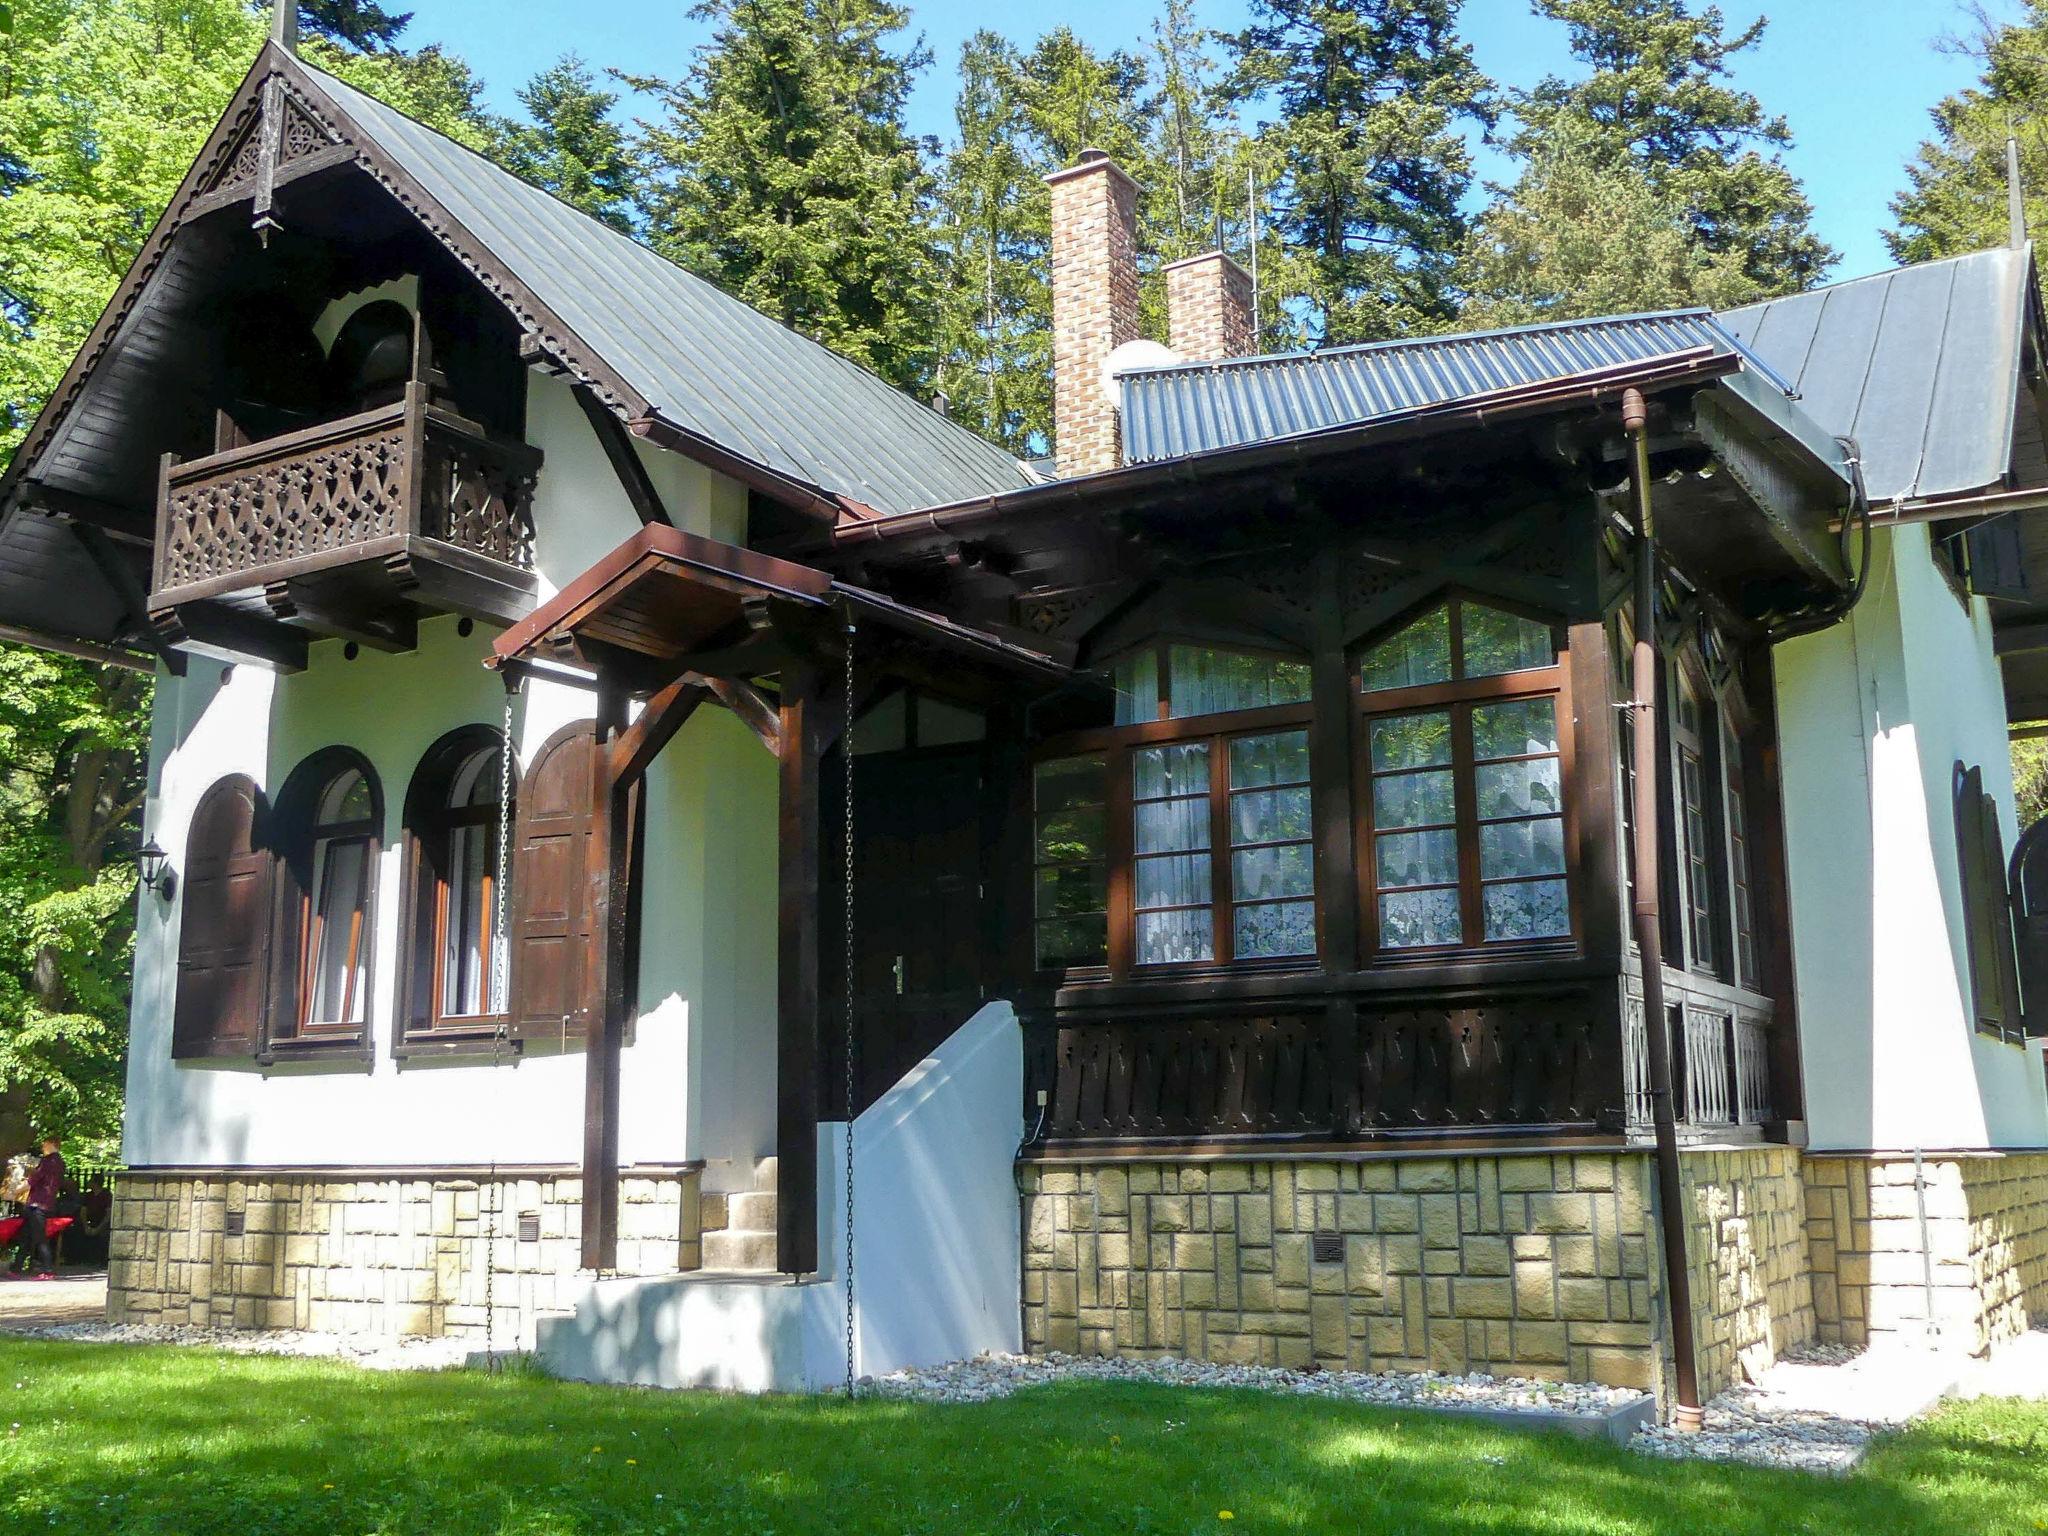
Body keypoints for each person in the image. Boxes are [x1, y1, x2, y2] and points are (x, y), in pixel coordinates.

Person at [12, 1136, 65, 1279]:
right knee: (26, 1236)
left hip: (37, 1204)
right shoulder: (60, 1162)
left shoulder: (48, 1161)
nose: (43, 1147)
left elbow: (33, 1180)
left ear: (51, 1144)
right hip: (46, 1203)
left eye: (44, 1144)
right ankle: (16, 1268)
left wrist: (15, 1190)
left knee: (39, 1238)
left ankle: (48, 1271)